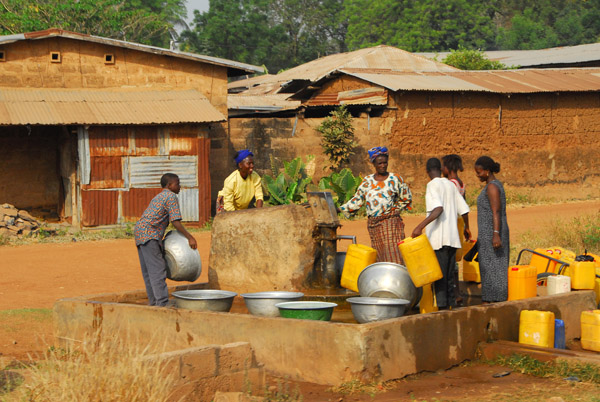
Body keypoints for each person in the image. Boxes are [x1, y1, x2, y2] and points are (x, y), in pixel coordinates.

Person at [411, 158, 471, 309]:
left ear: (427, 171)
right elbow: (464, 209)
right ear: (440, 168)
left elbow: (438, 209)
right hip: (453, 240)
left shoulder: (432, 185)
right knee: (449, 278)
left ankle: (442, 312)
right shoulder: (450, 185)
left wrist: (419, 227)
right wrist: (466, 228)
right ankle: (451, 310)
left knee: (439, 279)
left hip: (439, 240)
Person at [134, 173, 197, 306]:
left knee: (148, 271)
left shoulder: (159, 196)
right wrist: (190, 237)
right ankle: (161, 303)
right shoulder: (170, 196)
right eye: (177, 183)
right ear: (169, 185)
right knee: (158, 269)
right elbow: (175, 221)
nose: (180, 186)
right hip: (150, 233)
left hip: (140, 232)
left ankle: (154, 302)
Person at [340, 146, 412, 264]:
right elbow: (357, 200)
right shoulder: (367, 181)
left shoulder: (395, 179)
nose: (383, 165)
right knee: (380, 254)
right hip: (373, 225)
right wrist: (339, 209)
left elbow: (406, 198)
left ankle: (397, 279)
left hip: (390, 222)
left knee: (393, 253)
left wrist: (395, 210)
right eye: (379, 163)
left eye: (385, 162)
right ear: (373, 164)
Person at [474, 156, 510, 303]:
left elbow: (496, 211)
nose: (478, 175)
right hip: (488, 233)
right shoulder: (493, 186)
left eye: (479, 172)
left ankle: (495, 300)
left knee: (494, 268)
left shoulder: (492, 187)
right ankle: (492, 299)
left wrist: (495, 234)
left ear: (487, 171)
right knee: (491, 268)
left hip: (492, 233)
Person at [442, 154, 466, 305]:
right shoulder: (461, 182)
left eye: (443, 166)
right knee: (454, 257)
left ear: (448, 167)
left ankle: (454, 292)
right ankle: (456, 292)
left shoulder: (451, 183)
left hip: (452, 222)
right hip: (459, 221)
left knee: (450, 258)